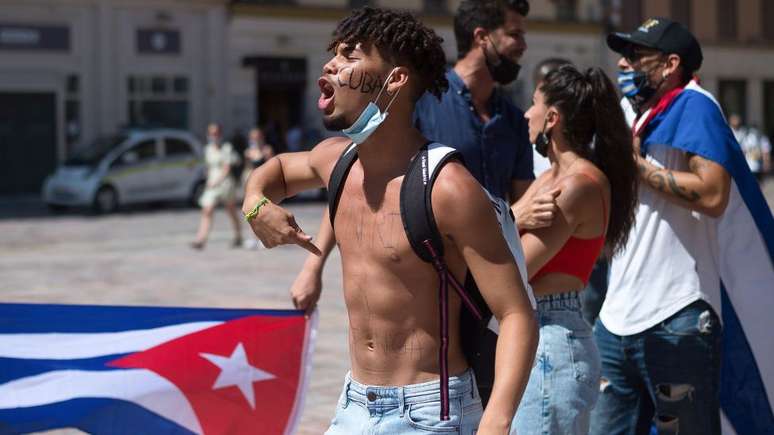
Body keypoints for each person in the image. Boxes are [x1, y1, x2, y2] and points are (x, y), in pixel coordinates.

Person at [242, 7, 538, 433]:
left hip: (431, 412)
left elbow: (516, 314)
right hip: (352, 404)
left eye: (350, 56)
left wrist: (497, 419)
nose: (331, 65)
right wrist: (256, 204)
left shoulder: (448, 188)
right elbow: (279, 171)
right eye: (334, 54)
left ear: (395, 80)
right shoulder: (337, 159)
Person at [287, 0, 558, 319]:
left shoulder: (513, 119)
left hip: (490, 288)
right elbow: (354, 181)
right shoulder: (418, 101)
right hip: (428, 292)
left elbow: (523, 205)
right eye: (514, 34)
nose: (523, 45)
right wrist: (313, 264)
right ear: (482, 38)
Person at [591, 17, 774, 435]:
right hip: (615, 318)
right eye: (623, 55)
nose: (623, 65)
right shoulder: (629, 114)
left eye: (636, 56)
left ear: (670, 64)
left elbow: (712, 195)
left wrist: (637, 168)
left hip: (677, 316)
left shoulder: (695, 106)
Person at [511, 65, 638, 434]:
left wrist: (510, 217)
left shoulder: (577, 185)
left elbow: (514, 267)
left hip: (552, 339)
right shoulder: (550, 177)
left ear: (552, 118)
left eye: (533, 104)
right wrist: (513, 217)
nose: (526, 113)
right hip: (535, 332)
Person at [191, 123, 243, 250]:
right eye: (211, 133)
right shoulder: (208, 149)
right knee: (207, 210)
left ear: (220, 134)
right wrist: (207, 178)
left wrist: (217, 181)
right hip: (212, 184)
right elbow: (209, 167)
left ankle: (238, 236)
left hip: (225, 184)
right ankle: (201, 239)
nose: (214, 136)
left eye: (216, 133)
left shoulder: (226, 148)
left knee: (231, 211)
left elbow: (227, 168)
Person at [729, 114, 771, 182]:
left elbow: (765, 152)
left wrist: (766, 163)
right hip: (752, 166)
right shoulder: (747, 137)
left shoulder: (756, 137)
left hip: (753, 166)